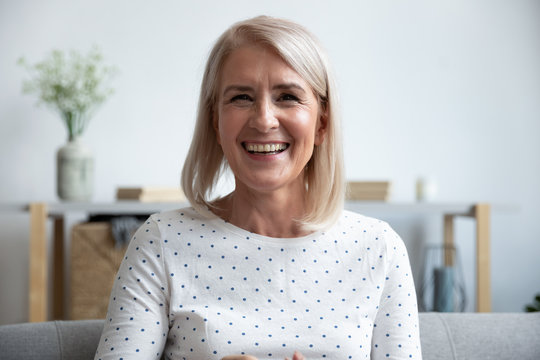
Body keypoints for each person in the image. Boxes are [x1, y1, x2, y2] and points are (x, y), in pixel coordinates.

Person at [95, 16, 421, 360]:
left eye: (287, 96)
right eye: (241, 97)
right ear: (215, 122)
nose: (264, 119)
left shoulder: (379, 249)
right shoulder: (160, 241)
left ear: (322, 123)